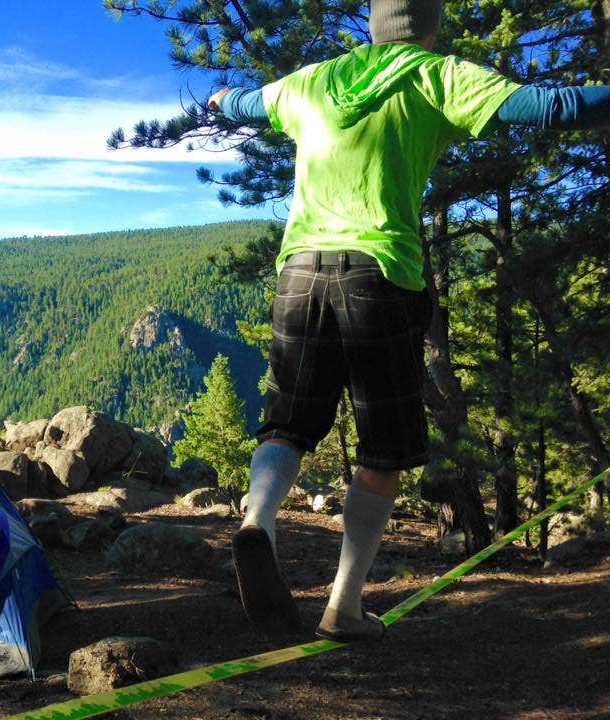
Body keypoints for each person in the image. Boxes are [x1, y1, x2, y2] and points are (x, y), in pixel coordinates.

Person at [207, 0, 610, 642]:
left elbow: (246, 104)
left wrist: (222, 98)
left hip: (298, 271)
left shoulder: (311, 80)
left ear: (373, 24)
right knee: (384, 450)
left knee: (286, 423)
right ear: (429, 24)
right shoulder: (433, 74)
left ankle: (259, 521)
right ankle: (343, 607)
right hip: (380, 275)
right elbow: (545, 107)